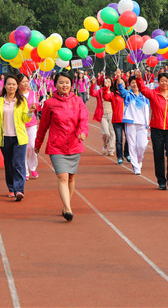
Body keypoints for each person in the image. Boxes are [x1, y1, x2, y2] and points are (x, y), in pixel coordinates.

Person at [35, 71, 89, 221]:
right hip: (56, 145)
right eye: (61, 82)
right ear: (55, 84)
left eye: (67, 82)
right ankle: (69, 209)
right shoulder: (49, 103)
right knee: (62, 176)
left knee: (71, 178)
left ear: (71, 84)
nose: (64, 85)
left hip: (74, 144)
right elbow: (43, 126)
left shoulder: (78, 101)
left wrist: (83, 132)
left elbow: (84, 120)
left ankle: (66, 206)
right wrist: (38, 143)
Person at [0, 74, 36, 201]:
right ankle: (11, 188)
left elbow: (25, 118)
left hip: (20, 138)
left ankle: (19, 190)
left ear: (17, 86)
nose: (11, 86)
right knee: (8, 164)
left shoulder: (21, 101)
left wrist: (30, 112)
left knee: (18, 164)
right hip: (4, 138)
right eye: (9, 84)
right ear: (5, 86)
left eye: (14, 84)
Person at [135, 69, 168, 190]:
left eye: (166, 81)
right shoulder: (153, 93)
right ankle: (161, 181)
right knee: (158, 155)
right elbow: (143, 89)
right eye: (162, 81)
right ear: (158, 82)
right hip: (157, 129)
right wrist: (139, 78)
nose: (164, 83)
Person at [118, 76, 150, 175]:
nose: (135, 84)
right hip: (130, 123)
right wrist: (119, 77)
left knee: (142, 145)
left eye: (136, 82)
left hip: (142, 124)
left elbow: (148, 111)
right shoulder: (128, 94)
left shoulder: (145, 97)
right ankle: (136, 167)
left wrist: (148, 123)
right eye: (132, 83)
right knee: (132, 145)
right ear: (129, 85)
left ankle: (139, 160)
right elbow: (121, 89)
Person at [102, 76, 130, 165]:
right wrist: (106, 88)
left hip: (127, 120)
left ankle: (127, 154)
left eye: (122, 83)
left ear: (125, 84)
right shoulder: (113, 95)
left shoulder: (128, 94)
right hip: (117, 120)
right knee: (119, 140)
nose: (120, 84)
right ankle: (120, 157)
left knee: (129, 139)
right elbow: (105, 97)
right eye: (118, 83)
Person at [18, 74, 39, 180]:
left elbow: (38, 106)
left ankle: (33, 167)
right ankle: (25, 170)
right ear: (18, 83)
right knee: (23, 148)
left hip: (32, 124)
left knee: (32, 146)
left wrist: (36, 106)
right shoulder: (16, 95)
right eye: (23, 82)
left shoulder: (33, 93)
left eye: (27, 81)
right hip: (20, 125)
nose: (26, 83)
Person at [90, 77, 115, 156]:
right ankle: (105, 145)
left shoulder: (113, 92)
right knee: (106, 133)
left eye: (109, 81)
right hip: (103, 115)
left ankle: (111, 150)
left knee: (112, 133)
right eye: (105, 81)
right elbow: (92, 93)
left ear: (111, 83)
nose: (107, 82)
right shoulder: (100, 91)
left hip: (112, 114)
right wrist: (93, 84)